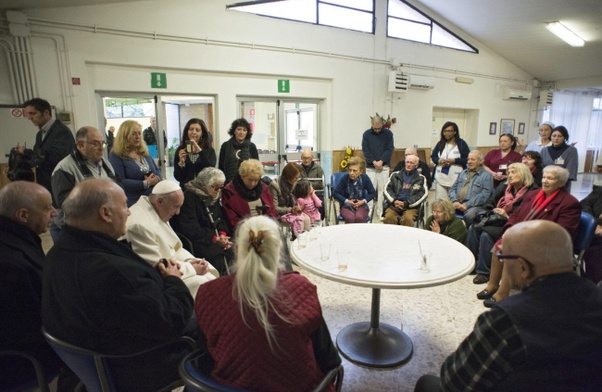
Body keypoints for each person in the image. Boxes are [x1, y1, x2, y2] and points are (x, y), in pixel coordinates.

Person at [42, 179, 199, 391]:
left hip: (89, 360)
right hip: (130, 364)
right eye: (125, 206)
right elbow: (172, 319)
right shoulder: (112, 271)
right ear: (105, 213)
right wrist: (173, 279)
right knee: (214, 330)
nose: (129, 213)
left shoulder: (57, 254)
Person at [415, 220, 602, 392]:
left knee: (427, 384)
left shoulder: (507, 320)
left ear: (522, 268)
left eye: (503, 256)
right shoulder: (596, 297)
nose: (502, 261)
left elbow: (454, 382)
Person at [195, 215, 342, 392]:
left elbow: (206, 356)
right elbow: (330, 360)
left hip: (228, 386)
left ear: (237, 251)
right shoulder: (302, 288)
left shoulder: (207, 293)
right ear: (279, 250)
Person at [479, 166, 581, 307]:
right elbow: (516, 214)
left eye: (550, 178)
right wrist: (510, 228)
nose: (545, 181)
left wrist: (529, 237)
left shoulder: (570, 203)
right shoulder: (534, 194)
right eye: (544, 177)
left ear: (561, 182)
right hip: (523, 235)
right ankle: (492, 285)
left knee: (511, 252)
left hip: (548, 244)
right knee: (499, 245)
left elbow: (561, 232)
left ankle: (502, 293)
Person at [0, 182, 65, 390]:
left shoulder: (16, 240)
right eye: (47, 208)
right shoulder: (12, 263)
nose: (54, 213)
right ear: (23, 216)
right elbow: (30, 324)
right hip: (21, 361)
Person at [126, 180, 219, 297]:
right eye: (176, 207)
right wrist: (192, 268)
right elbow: (158, 268)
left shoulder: (157, 209)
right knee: (205, 284)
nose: (178, 212)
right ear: (160, 201)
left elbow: (175, 248)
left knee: (210, 276)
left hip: (175, 267)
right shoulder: (138, 226)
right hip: (159, 282)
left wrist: (191, 261)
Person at [467, 163, 537, 286]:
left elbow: (525, 215)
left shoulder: (532, 192)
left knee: (486, 234)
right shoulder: (505, 187)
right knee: (473, 228)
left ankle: (484, 272)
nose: (510, 175)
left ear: (524, 173)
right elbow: (490, 202)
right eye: (509, 172)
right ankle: (472, 263)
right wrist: (490, 211)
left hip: (512, 225)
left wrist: (506, 215)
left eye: (514, 172)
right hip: (496, 219)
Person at [51, 126, 117, 241]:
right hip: (73, 230)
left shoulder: (105, 163)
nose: (101, 148)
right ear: (81, 145)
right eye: (96, 144)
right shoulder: (64, 168)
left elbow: (117, 186)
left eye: (102, 143)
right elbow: (63, 202)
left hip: (99, 226)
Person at [170, 167, 234, 276]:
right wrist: (215, 239)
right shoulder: (189, 198)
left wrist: (223, 235)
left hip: (214, 236)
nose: (218, 191)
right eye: (215, 187)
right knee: (217, 256)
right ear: (203, 185)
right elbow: (189, 227)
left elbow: (221, 218)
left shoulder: (213, 196)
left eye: (220, 187)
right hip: (198, 239)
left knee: (234, 248)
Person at [17, 98, 75, 198]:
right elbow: (38, 159)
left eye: (33, 113)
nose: (29, 118)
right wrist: (17, 165)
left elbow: (57, 156)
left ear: (46, 112)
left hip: (59, 184)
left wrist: (26, 152)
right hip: (45, 184)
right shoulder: (40, 134)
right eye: (28, 114)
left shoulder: (61, 131)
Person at [109, 120, 161, 206]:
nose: (138, 137)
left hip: (153, 199)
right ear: (125, 136)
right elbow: (119, 181)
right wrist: (144, 183)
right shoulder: (116, 155)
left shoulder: (144, 152)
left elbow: (156, 170)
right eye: (133, 134)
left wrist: (157, 178)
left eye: (139, 133)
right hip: (133, 202)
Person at [221, 159, 278, 232]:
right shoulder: (229, 191)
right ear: (242, 176)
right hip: (243, 231)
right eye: (250, 180)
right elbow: (231, 219)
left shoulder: (264, 188)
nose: (253, 184)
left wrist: (268, 222)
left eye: (256, 180)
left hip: (265, 228)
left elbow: (272, 210)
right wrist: (252, 227)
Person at [362, 114, 394, 221]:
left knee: (382, 190)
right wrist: (374, 162)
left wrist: (381, 161)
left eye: (379, 128)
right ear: (372, 125)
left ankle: (381, 212)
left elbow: (389, 149)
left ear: (382, 125)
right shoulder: (366, 134)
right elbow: (365, 150)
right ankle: (369, 211)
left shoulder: (388, 133)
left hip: (384, 167)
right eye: (375, 128)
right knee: (370, 190)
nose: (377, 130)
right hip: (371, 167)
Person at [448, 150, 494, 226]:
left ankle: (466, 236)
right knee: (443, 211)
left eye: (473, 159)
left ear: (480, 161)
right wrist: (455, 201)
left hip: (475, 205)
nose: (469, 161)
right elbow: (453, 188)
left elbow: (484, 195)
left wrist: (467, 204)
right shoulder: (463, 172)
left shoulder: (487, 175)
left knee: (469, 216)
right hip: (458, 202)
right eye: (468, 159)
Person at [382, 154, 428, 226]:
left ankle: (405, 237)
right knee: (389, 218)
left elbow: (422, 194)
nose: (408, 165)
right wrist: (394, 201)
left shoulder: (421, 178)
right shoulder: (395, 175)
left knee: (408, 219)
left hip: (411, 207)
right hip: (394, 205)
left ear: (416, 165)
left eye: (411, 163)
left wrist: (406, 203)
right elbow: (387, 189)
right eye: (407, 162)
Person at [430, 122, 470, 202]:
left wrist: (454, 161)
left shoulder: (461, 143)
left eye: (449, 131)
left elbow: (467, 159)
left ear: (455, 132)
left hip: (456, 178)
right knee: (441, 202)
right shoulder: (440, 143)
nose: (446, 133)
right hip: (441, 177)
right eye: (445, 131)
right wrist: (439, 161)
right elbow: (433, 156)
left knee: (453, 202)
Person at [173, 118, 217, 189]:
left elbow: (210, 171)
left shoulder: (209, 150)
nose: (194, 132)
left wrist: (200, 152)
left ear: (202, 133)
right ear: (187, 131)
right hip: (187, 191)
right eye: (191, 129)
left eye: (197, 130)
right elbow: (178, 177)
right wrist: (181, 163)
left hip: (204, 190)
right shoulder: (181, 150)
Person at [333, 156, 376, 223]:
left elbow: (373, 193)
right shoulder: (345, 178)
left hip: (361, 205)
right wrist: (347, 201)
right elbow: (335, 193)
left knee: (359, 217)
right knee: (350, 218)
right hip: (346, 205)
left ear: (361, 171)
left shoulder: (365, 178)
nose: (351, 173)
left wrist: (363, 201)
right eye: (350, 170)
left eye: (354, 171)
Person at [218, 118, 259, 184]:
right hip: (229, 183)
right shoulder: (225, 146)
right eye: (239, 129)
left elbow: (256, 167)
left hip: (248, 183)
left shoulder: (252, 146)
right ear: (234, 131)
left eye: (244, 130)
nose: (241, 132)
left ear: (247, 132)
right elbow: (221, 167)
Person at [540, 125, 578, 192]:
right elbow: (540, 168)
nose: (556, 138)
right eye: (554, 136)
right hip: (546, 185)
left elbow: (571, 170)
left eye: (559, 136)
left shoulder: (571, 150)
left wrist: (557, 183)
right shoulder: (544, 150)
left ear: (564, 138)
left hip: (563, 186)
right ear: (550, 137)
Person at [580, 187, 602, 283]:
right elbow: (585, 204)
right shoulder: (600, 191)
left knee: (593, 255)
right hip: (594, 230)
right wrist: (593, 222)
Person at [297, 149, 326, 218]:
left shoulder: (318, 168)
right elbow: (297, 184)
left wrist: (307, 185)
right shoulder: (298, 169)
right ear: (301, 158)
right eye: (304, 158)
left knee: (321, 207)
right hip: (302, 195)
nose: (306, 160)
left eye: (308, 158)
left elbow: (321, 184)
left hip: (316, 194)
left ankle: (319, 222)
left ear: (312, 158)